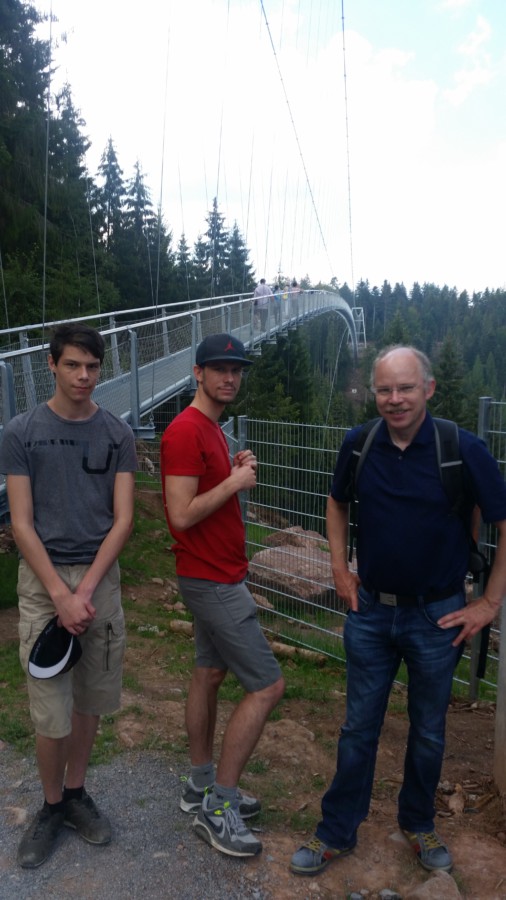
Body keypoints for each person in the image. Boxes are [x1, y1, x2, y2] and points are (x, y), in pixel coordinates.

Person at [290, 345, 506, 877]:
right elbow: (337, 503)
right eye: (384, 389)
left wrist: (489, 604)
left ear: (427, 389)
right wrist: (339, 569)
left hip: (440, 616)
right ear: (374, 392)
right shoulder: (359, 444)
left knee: (429, 731)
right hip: (370, 613)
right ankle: (335, 832)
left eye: (405, 388)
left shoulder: (463, 448)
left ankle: (418, 823)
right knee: (357, 728)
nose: (394, 399)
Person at [0, 323, 137, 869]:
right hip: (43, 582)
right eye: (74, 365)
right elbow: (21, 522)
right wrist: (60, 594)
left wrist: (84, 591)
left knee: (90, 700)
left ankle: (75, 795)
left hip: (99, 581)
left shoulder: (118, 434)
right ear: (52, 365)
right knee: (50, 711)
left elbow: (124, 520)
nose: (84, 376)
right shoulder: (20, 431)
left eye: (93, 366)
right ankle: (51, 806)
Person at [160, 332, 285, 858]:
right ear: (198, 373)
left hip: (217, 574)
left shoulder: (212, 428)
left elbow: (201, 495)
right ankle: (220, 807)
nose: (230, 377)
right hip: (212, 580)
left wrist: (231, 471)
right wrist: (235, 485)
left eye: (237, 369)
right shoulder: (186, 430)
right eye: (219, 369)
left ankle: (199, 786)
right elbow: (181, 514)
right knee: (267, 686)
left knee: (209, 674)